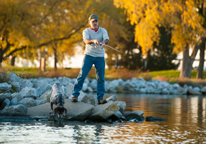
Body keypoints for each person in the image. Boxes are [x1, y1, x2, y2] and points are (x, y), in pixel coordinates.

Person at [72, 14, 109, 104]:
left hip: (100, 57)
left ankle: (100, 98)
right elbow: (86, 41)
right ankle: (75, 95)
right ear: (89, 22)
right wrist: (94, 40)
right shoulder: (86, 31)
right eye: (93, 21)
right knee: (82, 75)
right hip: (89, 56)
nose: (95, 23)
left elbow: (107, 39)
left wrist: (104, 42)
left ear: (98, 22)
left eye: (96, 21)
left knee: (100, 79)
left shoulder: (103, 30)